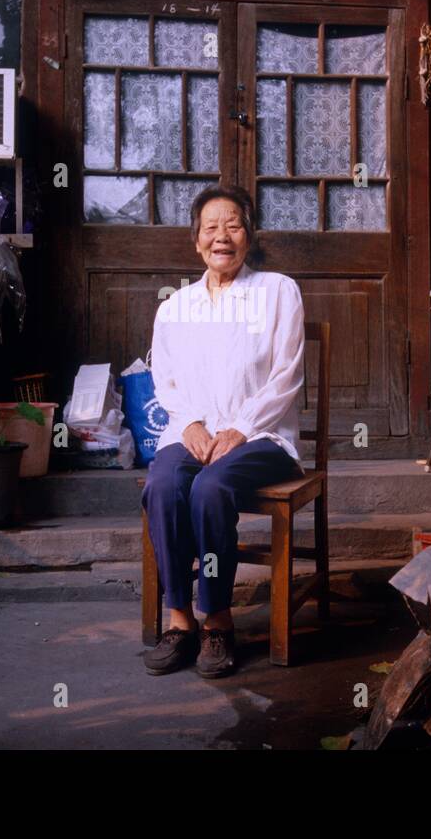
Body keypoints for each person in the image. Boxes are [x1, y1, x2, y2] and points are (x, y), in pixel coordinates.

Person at [141, 185, 305, 678]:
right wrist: (189, 422)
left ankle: (217, 619)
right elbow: (163, 377)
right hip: (190, 434)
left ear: (249, 235)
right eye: (211, 228)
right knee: (165, 486)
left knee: (210, 489)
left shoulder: (278, 291)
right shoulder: (175, 306)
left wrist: (242, 428)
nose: (222, 237)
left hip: (262, 438)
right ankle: (179, 619)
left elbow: (288, 374)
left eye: (233, 225)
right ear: (196, 241)